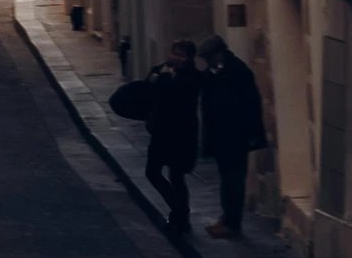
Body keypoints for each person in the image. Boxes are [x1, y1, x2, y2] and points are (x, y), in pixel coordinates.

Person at [112, 41, 199, 238]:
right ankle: (179, 212)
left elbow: (176, 94)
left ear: (189, 59)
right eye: (175, 53)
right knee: (152, 172)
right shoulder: (160, 71)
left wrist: (162, 80)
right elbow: (148, 92)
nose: (177, 58)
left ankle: (180, 218)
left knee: (177, 177)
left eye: (182, 55)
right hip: (161, 133)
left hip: (181, 135)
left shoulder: (192, 77)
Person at [198, 35, 267, 241]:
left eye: (209, 57)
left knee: (234, 180)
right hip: (220, 137)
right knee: (227, 179)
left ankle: (232, 222)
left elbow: (252, 104)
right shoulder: (211, 74)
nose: (207, 61)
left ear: (219, 53)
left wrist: (253, 134)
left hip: (236, 137)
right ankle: (227, 218)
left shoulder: (238, 72)